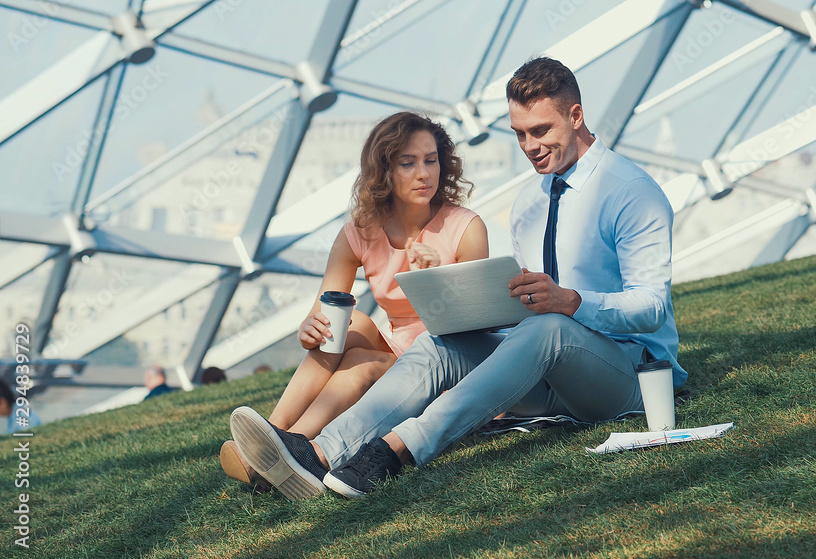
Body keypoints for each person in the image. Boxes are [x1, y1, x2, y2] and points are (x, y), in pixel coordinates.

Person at [229, 57, 686, 501]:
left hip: (627, 375)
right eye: (520, 134)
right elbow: (522, 315)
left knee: (551, 327)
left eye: (541, 131)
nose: (530, 146)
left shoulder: (631, 192)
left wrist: (569, 301)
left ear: (576, 115)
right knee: (438, 346)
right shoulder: (529, 202)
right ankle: (318, 453)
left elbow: (652, 309)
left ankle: (399, 448)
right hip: (545, 379)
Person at [220, 112, 489, 490]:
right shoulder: (359, 233)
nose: (424, 173)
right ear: (384, 171)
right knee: (349, 322)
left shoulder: (466, 227)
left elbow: (476, 323)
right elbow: (322, 313)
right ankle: (276, 434)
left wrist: (439, 274)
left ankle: (285, 449)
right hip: (398, 347)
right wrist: (310, 328)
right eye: (407, 163)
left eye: (431, 160)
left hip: (442, 360)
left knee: (363, 365)